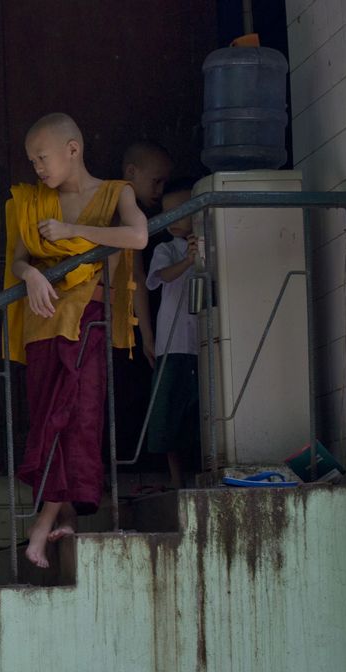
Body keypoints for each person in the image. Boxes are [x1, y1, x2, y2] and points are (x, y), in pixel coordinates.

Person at [5, 113, 148, 569]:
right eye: (31, 161)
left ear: (72, 149)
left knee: (76, 416)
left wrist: (74, 232)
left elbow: (138, 236)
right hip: (43, 324)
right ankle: (63, 517)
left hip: (87, 322)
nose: (37, 169)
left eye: (42, 158)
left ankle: (41, 528)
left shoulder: (114, 193)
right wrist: (29, 276)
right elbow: (19, 260)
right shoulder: (32, 202)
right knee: (48, 417)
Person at [116, 141, 176, 466]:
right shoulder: (123, 208)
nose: (160, 190)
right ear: (131, 172)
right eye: (156, 181)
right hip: (107, 321)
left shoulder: (119, 208)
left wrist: (146, 334)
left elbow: (135, 272)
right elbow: (135, 272)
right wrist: (148, 335)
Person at [145, 186, 202, 488]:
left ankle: (199, 476)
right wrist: (189, 261)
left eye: (180, 213)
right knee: (168, 411)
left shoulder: (208, 244)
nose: (172, 220)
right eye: (168, 214)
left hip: (201, 342)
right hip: (173, 342)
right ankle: (177, 480)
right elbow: (161, 278)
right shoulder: (165, 249)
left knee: (197, 412)